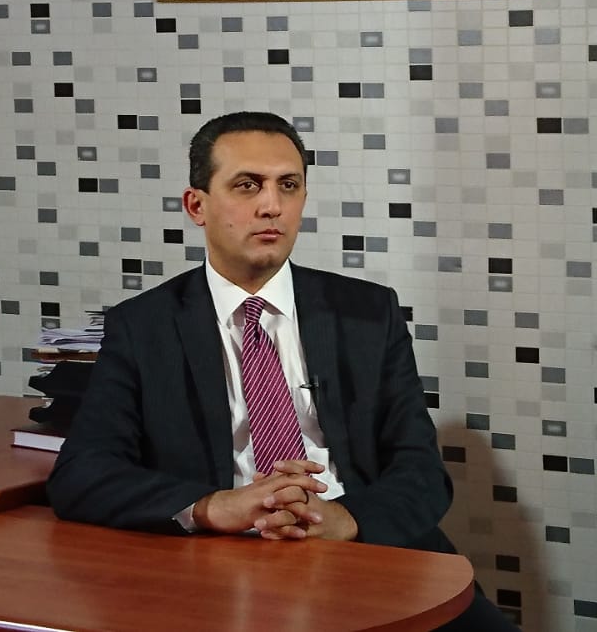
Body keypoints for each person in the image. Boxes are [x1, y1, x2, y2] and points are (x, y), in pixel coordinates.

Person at [46, 111, 516, 631]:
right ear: (197, 205)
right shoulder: (143, 326)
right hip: (222, 567)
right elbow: (82, 474)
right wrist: (212, 507)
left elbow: (421, 470)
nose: (272, 205)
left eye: (288, 186)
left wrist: (347, 520)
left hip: (366, 549)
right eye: (247, 185)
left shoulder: (367, 313)